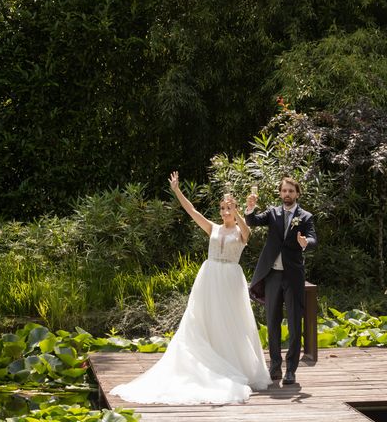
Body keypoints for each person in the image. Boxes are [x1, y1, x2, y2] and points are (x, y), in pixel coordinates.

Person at [110, 171, 270, 404]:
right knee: (204, 320)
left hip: (230, 279)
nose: (226, 212)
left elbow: (247, 232)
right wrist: (177, 191)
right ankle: (206, 362)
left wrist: (238, 211)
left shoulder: (241, 231)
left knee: (231, 322)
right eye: (223, 209)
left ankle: (233, 363)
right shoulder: (213, 228)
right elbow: (192, 211)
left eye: (230, 208)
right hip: (210, 277)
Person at [245, 177, 317, 386]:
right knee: (272, 322)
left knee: (295, 323)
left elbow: (313, 239)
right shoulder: (272, 213)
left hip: (293, 277)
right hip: (273, 276)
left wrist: (305, 242)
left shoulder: (305, 217)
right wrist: (249, 209)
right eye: (284, 191)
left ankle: (291, 370)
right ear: (280, 193)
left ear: (297, 194)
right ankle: (275, 366)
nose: (287, 194)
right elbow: (253, 221)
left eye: (291, 191)